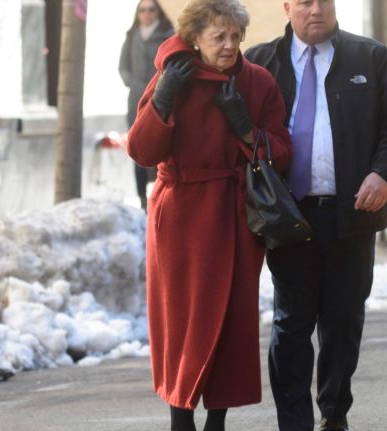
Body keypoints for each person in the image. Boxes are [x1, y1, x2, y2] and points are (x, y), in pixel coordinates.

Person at [245, 1, 387, 430]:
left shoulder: (370, 57)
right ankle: (295, 423)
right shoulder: (260, 63)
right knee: (291, 324)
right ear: (287, 7)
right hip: (287, 215)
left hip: (353, 212)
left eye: (324, 0)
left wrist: (384, 173)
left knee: (342, 323)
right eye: (305, 2)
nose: (316, 10)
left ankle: (334, 415)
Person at [127, 1, 292, 429]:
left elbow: (282, 152)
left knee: (231, 320)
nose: (229, 45)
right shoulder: (172, 75)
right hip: (179, 216)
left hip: (235, 215)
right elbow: (141, 150)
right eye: (219, 37)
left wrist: (245, 128)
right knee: (179, 320)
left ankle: (217, 421)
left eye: (236, 36)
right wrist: (163, 98)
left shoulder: (257, 82)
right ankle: (179, 417)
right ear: (195, 38)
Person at [119, 0, 174, 210]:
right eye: (142, 10)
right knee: (137, 149)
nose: (147, 14)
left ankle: (162, 197)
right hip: (135, 102)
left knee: (162, 150)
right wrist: (133, 84)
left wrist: (159, 87)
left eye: (151, 10)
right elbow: (123, 67)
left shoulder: (168, 35)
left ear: (158, 12)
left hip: (161, 101)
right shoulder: (131, 36)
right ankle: (142, 199)